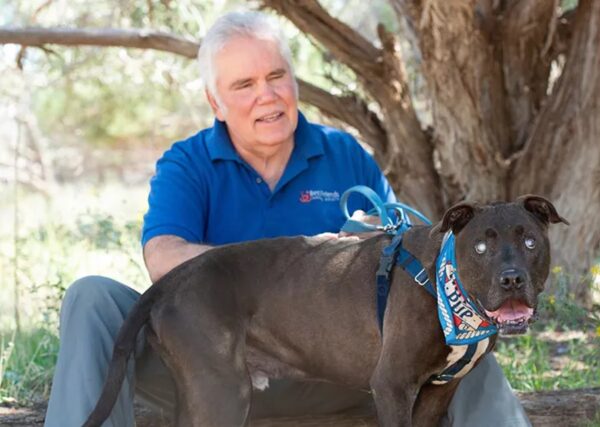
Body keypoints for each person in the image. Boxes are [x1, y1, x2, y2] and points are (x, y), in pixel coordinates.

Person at [44, 10, 531, 427]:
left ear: (295, 82)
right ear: (215, 102)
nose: (267, 95)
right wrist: (295, 264)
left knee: (467, 336)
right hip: (208, 360)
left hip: (339, 366)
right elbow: (163, 260)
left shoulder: (343, 155)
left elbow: (404, 266)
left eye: (277, 76)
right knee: (91, 297)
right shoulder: (188, 163)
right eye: (244, 84)